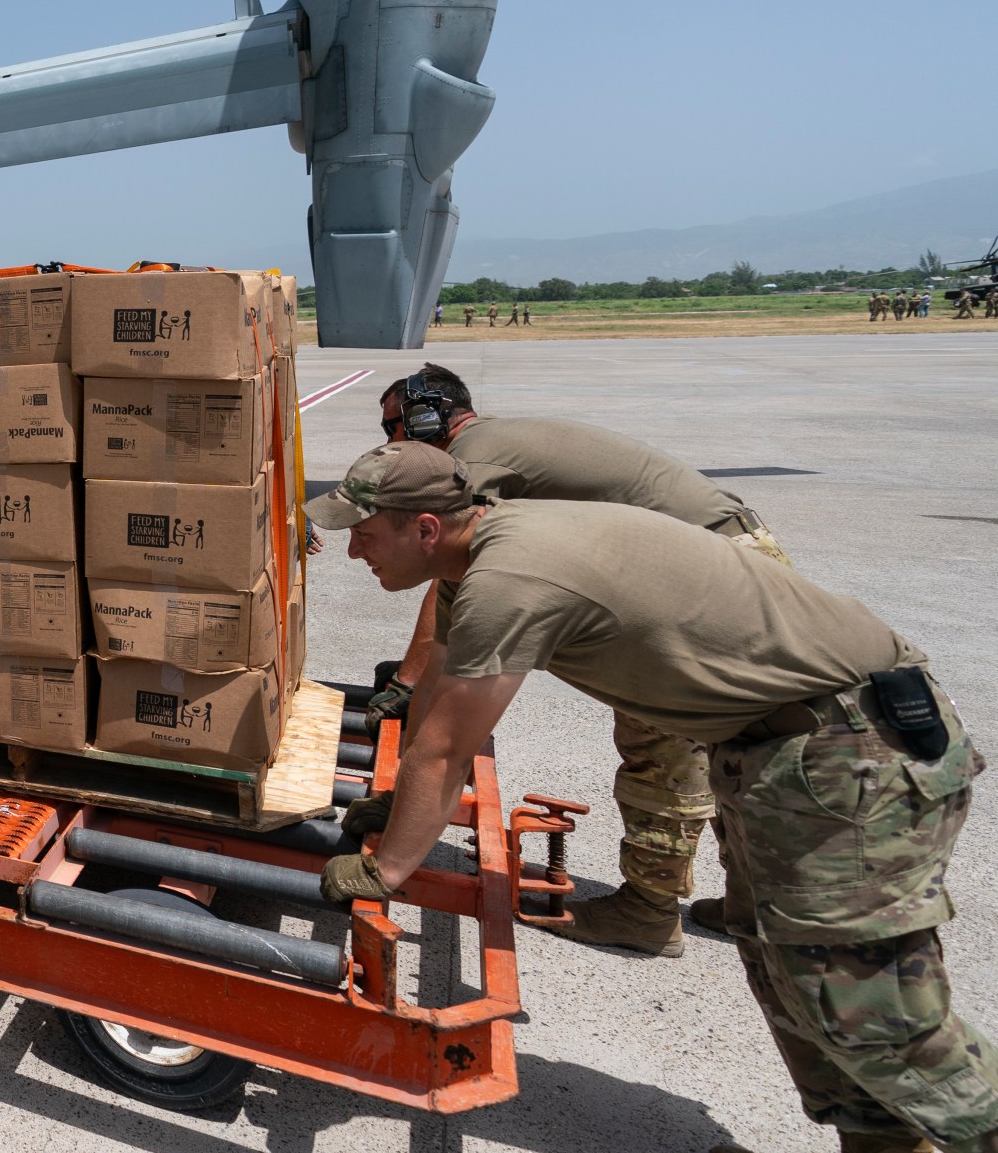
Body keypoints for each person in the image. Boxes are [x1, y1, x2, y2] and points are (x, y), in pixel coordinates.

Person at [308, 443, 991, 1153]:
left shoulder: (508, 577)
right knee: (799, 985)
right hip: (782, 754)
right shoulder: (470, 560)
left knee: (881, 1022)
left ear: (424, 529)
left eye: (364, 531)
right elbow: (438, 693)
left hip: (851, 749)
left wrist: (388, 868)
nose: (353, 551)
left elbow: (451, 748)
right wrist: (400, 809)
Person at [371, 365, 790, 957]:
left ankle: (647, 913)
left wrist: (414, 704)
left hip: (698, 583)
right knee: (734, 739)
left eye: (394, 427)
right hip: (729, 559)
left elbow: (447, 588)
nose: (390, 444)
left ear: (426, 418)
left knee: (663, 740)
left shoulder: (471, 465)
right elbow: (452, 609)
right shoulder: (493, 451)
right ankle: (752, 907)